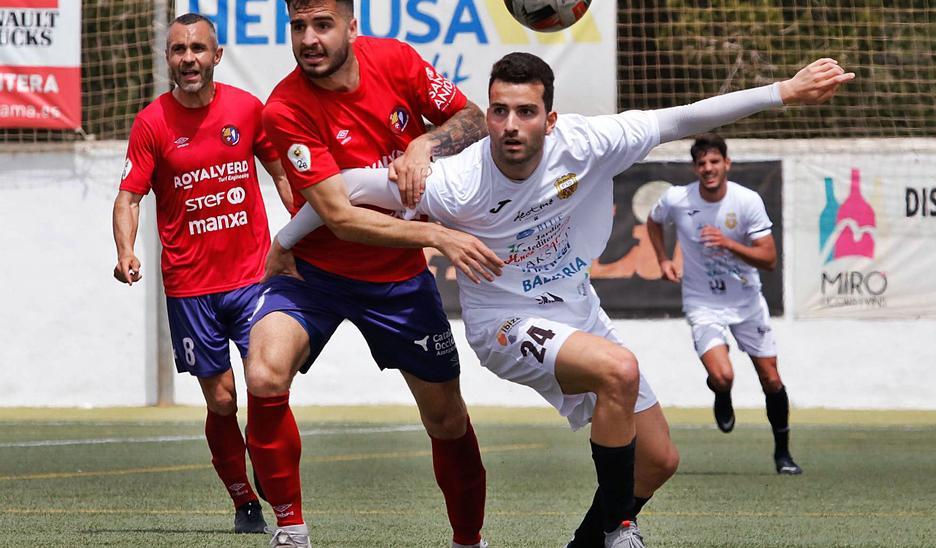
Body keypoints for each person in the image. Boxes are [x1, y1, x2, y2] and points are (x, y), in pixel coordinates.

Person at [269, 52, 852, 547]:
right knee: (619, 370)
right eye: (498, 111)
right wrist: (283, 242)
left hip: (577, 311)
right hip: (504, 324)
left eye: (526, 112)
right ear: (487, 116)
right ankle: (621, 527)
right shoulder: (455, 180)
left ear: (550, 120)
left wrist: (784, 91)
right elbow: (344, 189)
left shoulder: (588, 143)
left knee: (659, 461)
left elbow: (684, 118)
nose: (511, 125)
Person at [248, 1, 502, 547]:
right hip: (313, 271)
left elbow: (476, 120)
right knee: (264, 374)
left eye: (322, 25)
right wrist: (438, 234)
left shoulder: (398, 61)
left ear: (351, 25)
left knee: (446, 419)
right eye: (298, 27)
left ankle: (468, 541)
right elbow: (339, 217)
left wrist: (423, 143)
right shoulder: (284, 108)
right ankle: (290, 530)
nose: (309, 39)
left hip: (397, 280)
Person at [111, 13, 292, 536]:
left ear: (216, 55)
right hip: (191, 288)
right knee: (222, 400)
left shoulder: (246, 109)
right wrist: (125, 250)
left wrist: (304, 234)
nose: (187, 58)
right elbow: (128, 197)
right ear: (168, 59)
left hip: (254, 279)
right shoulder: (151, 123)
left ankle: (273, 476)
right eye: (177, 50)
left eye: (197, 48)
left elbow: (282, 171)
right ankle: (243, 500)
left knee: (266, 385)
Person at [644, 133, 800, 475]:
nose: (708, 169)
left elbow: (769, 259)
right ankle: (721, 392)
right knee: (723, 375)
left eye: (715, 162)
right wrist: (663, 259)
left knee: (771, 379)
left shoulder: (747, 202)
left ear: (726, 164)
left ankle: (783, 454)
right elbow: (653, 222)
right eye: (701, 163)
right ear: (695, 167)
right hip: (703, 303)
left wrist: (729, 244)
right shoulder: (677, 198)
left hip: (746, 302)